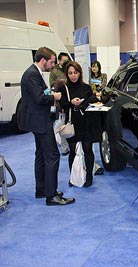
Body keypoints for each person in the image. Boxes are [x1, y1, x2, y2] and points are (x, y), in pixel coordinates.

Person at [18, 47, 75, 206]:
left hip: (38, 120)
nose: (53, 65)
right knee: (52, 156)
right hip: (40, 121)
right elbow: (39, 98)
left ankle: (42, 189)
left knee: (41, 155)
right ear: (43, 60)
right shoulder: (32, 74)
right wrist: (54, 96)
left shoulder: (33, 73)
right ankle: (51, 195)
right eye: (51, 62)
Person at [59, 61, 103, 187]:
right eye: (70, 73)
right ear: (67, 74)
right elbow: (62, 105)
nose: (73, 75)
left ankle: (89, 176)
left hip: (86, 122)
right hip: (72, 123)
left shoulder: (86, 87)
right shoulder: (63, 88)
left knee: (88, 150)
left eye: (75, 73)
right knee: (72, 152)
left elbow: (92, 101)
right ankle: (73, 176)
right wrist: (71, 102)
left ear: (80, 73)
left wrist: (83, 104)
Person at [51, 55, 71, 156]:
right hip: (63, 109)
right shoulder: (60, 81)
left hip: (67, 109)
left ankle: (65, 148)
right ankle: (64, 148)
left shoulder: (63, 80)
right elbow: (57, 95)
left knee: (64, 128)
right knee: (63, 128)